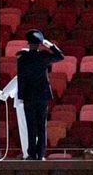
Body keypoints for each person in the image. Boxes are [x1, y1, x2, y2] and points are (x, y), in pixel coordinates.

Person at [14, 30, 62, 160]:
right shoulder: (43, 56)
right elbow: (60, 56)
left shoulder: (23, 59)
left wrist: (21, 96)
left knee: (31, 126)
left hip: (29, 96)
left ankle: (31, 153)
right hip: (42, 95)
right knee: (41, 125)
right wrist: (49, 44)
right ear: (39, 44)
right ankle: (41, 154)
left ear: (28, 44)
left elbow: (21, 79)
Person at [0, 75, 27, 157]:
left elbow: (6, 92)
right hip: (34, 104)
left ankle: (27, 154)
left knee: (25, 130)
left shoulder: (22, 73)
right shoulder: (38, 71)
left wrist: (1, 92)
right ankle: (34, 153)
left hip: (23, 104)